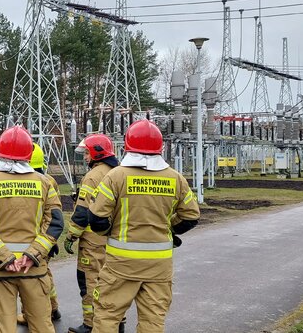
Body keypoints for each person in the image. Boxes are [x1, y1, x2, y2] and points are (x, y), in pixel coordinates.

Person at [88, 120, 200, 333]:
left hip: (121, 265)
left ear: (127, 146)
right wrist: (168, 230)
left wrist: (110, 233)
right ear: (161, 148)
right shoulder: (175, 178)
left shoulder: (116, 176)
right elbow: (191, 217)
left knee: (107, 317)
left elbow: (96, 219)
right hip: (159, 265)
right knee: (153, 321)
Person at [0, 125, 64, 333]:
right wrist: (32, 255)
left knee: (4, 327)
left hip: (0, 268)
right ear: (29, 154)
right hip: (34, 267)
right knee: (42, 325)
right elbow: (56, 222)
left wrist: (4, 257)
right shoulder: (44, 182)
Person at [64, 134, 120, 333]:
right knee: (113, 282)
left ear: (97, 153)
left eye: (87, 153)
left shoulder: (93, 176)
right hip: (114, 240)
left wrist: (71, 236)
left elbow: (82, 212)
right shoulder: (118, 172)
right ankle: (116, 322)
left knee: (89, 281)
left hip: (93, 241)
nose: (85, 157)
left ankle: (90, 323)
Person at [17, 143, 62, 325]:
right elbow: (55, 212)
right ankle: (53, 308)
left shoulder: (21, 180)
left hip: (28, 240)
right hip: (46, 239)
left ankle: (31, 315)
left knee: (28, 282)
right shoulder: (49, 180)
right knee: (45, 274)